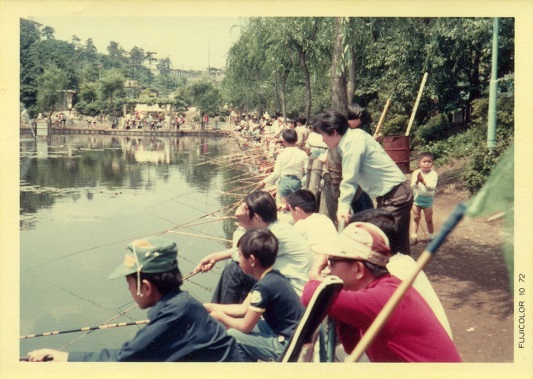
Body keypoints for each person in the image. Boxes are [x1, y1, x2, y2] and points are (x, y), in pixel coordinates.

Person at [26, 236, 244, 362]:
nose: (129, 288)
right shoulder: (182, 303)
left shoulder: (174, 314)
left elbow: (123, 359)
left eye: (129, 282)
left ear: (146, 287)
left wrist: (62, 357)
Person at [301, 222, 461, 362]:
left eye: (332, 261)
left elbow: (310, 295)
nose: (328, 268)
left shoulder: (381, 297)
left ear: (358, 269)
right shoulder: (382, 288)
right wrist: (342, 308)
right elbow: (353, 346)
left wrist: (315, 273)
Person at [314, 110, 413, 255]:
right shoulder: (354, 136)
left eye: (322, 135)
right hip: (392, 194)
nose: (323, 140)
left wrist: (343, 206)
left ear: (334, 132)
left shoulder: (353, 144)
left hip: (396, 196)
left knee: (381, 244)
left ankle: (400, 274)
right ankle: (406, 274)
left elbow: (350, 178)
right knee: (396, 247)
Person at [204, 229, 305, 362]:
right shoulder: (272, 277)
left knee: (232, 336)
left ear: (252, 260)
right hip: (293, 336)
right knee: (240, 330)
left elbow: (246, 326)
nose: (238, 260)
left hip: (288, 345)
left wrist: (220, 316)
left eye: (240, 255)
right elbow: (242, 309)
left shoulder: (263, 287)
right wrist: (209, 307)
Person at [195, 191, 312, 303]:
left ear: (256, 217)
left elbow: (240, 256)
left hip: (293, 295)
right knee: (245, 269)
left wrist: (241, 225)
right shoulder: (276, 227)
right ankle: (227, 315)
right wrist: (215, 257)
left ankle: (219, 320)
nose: (241, 210)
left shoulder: (274, 235)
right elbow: (242, 251)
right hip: (287, 287)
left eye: (245, 208)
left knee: (235, 270)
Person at [286, 189, 338, 280]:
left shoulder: (301, 225)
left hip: (320, 271)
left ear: (297, 210)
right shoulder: (324, 219)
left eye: (290, 210)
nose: (291, 214)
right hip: (334, 266)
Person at [260, 129, 308, 209]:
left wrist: (264, 181)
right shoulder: (303, 154)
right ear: (296, 140)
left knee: (283, 207)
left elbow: (276, 173)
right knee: (295, 206)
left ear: (284, 141)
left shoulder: (281, 155)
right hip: (297, 182)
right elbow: (307, 171)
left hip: (284, 182)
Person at [410, 152, 438, 244]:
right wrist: (417, 181)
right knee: (416, 218)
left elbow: (432, 188)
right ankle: (413, 236)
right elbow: (413, 186)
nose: (427, 164)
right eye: (424, 162)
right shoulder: (416, 173)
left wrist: (424, 182)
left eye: (429, 162)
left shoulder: (434, 174)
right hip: (417, 199)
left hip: (428, 200)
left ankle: (431, 236)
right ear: (419, 163)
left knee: (429, 219)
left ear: (432, 164)